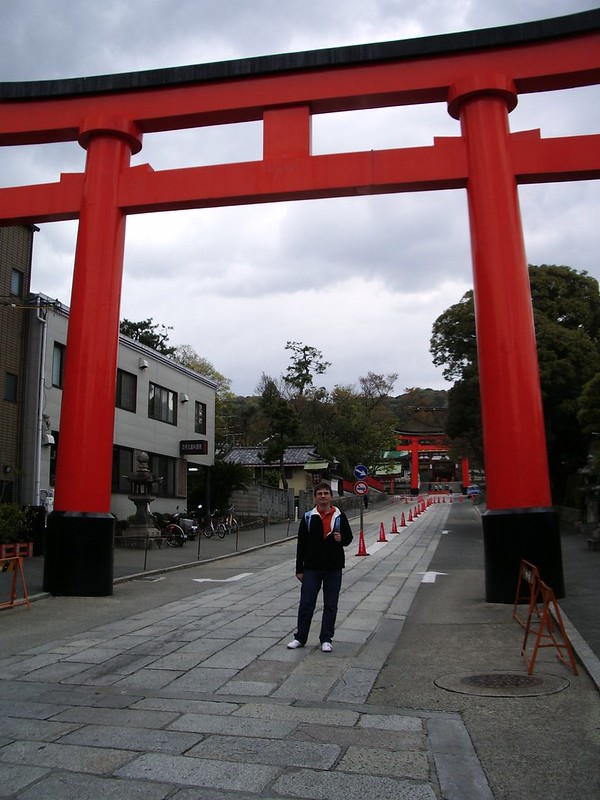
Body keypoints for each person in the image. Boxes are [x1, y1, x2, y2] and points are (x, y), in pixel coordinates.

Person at [287, 481, 353, 653]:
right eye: (320, 494)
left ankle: (326, 638)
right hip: (311, 568)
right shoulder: (309, 517)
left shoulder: (340, 515)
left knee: (331, 604)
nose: (323, 496)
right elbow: (301, 545)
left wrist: (342, 539)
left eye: (326, 493)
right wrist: (299, 569)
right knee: (306, 603)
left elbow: (349, 537)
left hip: (333, 566)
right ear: (315, 497)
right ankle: (300, 637)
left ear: (331, 496)